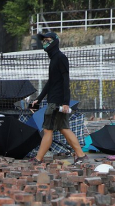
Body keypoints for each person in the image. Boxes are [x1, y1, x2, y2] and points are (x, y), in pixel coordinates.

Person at [30, 31, 87, 165]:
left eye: (48, 40)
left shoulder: (60, 57)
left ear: (55, 41)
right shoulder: (54, 58)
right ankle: (81, 155)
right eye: (43, 40)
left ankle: (38, 159)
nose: (45, 43)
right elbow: (51, 81)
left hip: (56, 102)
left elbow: (65, 80)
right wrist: (39, 98)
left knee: (48, 130)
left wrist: (65, 103)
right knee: (63, 128)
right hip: (55, 100)